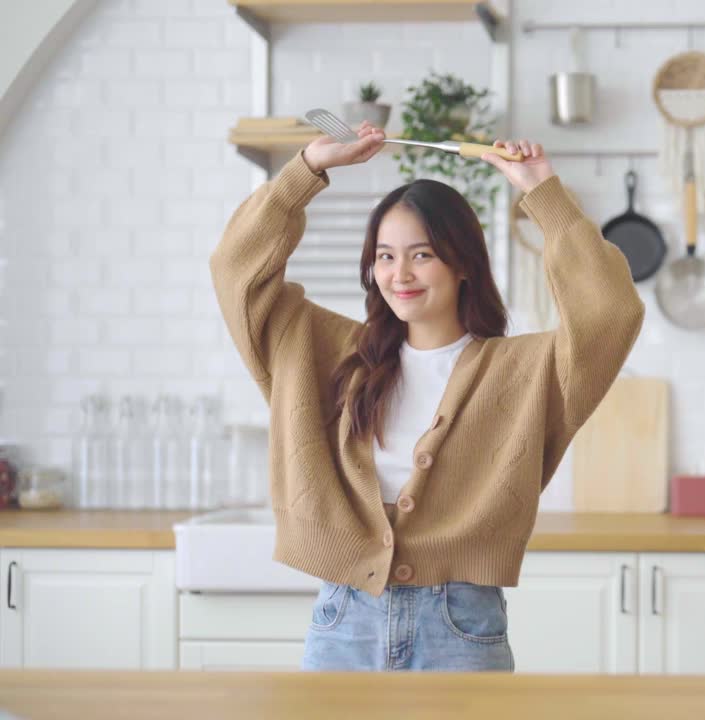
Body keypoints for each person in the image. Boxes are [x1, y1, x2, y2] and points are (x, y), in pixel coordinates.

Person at [210, 122, 644, 671]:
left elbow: (611, 312)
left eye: (421, 255)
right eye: (385, 256)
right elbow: (235, 270)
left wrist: (543, 192)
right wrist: (306, 170)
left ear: (461, 263)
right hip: (344, 622)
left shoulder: (525, 371)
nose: (400, 274)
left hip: (460, 629)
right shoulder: (326, 352)